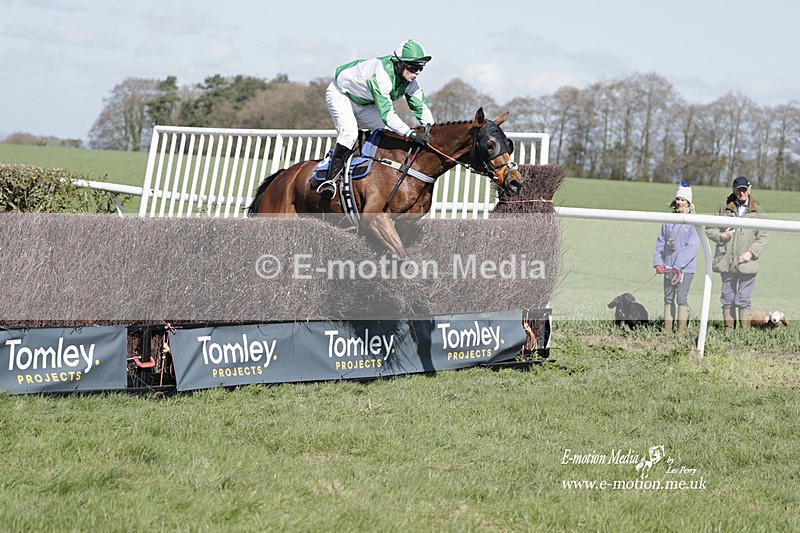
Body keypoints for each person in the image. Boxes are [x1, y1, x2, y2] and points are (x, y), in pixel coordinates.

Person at [317, 38, 435, 200]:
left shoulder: (409, 80)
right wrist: (412, 134)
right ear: (398, 64)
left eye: (421, 68)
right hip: (341, 95)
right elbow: (388, 115)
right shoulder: (381, 75)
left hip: (365, 103)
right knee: (349, 134)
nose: (417, 73)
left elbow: (421, 107)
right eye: (414, 68)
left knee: (386, 134)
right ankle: (329, 180)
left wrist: (432, 130)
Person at [705, 176, 770, 330]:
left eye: (744, 190)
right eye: (738, 190)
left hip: (748, 263)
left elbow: (765, 235)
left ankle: (744, 331)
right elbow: (709, 227)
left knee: (743, 299)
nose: (741, 193)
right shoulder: (724, 207)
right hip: (726, 261)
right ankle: (729, 329)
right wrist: (721, 236)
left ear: (749, 190)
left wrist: (750, 253)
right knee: (727, 297)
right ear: (733, 190)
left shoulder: (758, 210)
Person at [653, 182, 700, 333]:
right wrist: (658, 262)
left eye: (682, 200)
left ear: (688, 203)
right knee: (668, 298)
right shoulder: (668, 220)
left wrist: (678, 265)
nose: (679, 202)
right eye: (678, 199)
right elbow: (660, 242)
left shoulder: (694, 223)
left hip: (685, 270)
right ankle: (667, 330)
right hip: (668, 267)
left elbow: (692, 247)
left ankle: (681, 331)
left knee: (681, 298)